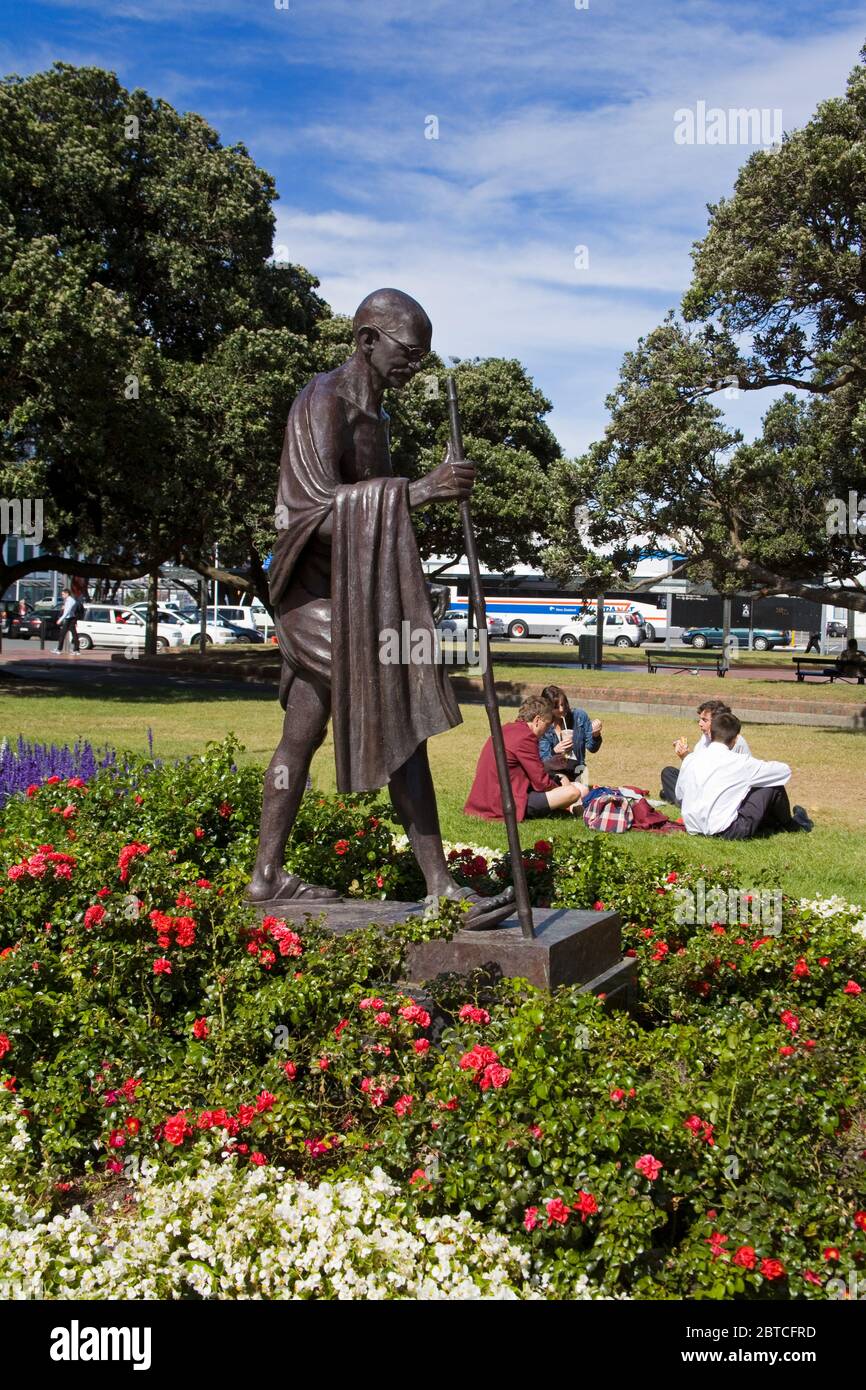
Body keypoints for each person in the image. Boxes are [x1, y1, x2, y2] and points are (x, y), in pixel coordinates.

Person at [247, 287, 514, 930]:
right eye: (408, 353)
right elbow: (312, 515)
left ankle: (266, 878)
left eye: (424, 359)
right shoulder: (322, 403)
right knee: (397, 718)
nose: (414, 367)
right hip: (316, 603)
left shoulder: (379, 418)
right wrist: (420, 491)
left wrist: (421, 495)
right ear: (367, 339)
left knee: (302, 733)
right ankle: (438, 883)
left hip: (353, 600)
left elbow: (368, 517)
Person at [676, 711, 813, 839]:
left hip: (693, 827)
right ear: (735, 739)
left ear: (710, 733)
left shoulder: (692, 758)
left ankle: (776, 824)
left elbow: (679, 794)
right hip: (727, 831)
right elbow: (784, 771)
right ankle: (794, 826)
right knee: (773, 785)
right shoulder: (741, 763)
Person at [464, 696, 586, 821]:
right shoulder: (526, 737)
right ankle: (575, 807)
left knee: (566, 782)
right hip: (502, 804)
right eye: (547, 724)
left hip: (485, 798)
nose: (546, 730)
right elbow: (541, 783)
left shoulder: (506, 729)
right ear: (537, 720)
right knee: (573, 792)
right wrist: (562, 789)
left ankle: (573, 804)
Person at [659, 698, 751, 804]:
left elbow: (714, 771)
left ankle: (678, 798)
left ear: (718, 722)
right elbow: (697, 767)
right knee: (668, 772)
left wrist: (687, 759)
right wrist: (685, 756)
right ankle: (677, 796)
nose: (700, 723)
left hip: (721, 788)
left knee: (680, 788)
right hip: (703, 784)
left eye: (705, 720)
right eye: (700, 719)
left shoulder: (733, 740)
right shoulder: (705, 737)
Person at [537, 684, 602, 780]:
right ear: (548, 708)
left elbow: (592, 748)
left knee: (582, 792)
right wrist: (554, 751)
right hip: (554, 773)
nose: (561, 709)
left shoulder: (579, 716)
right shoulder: (544, 727)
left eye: (563, 704)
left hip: (578, 771)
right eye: (556, 707)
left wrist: (596, 735)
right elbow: (543, 760)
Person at [54, 588, 81, 656]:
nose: (62, 595)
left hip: (69, 619)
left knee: (70, 634)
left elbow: (67, 612)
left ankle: (75, 650)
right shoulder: (68, 600)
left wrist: (60, 619)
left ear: (67, 594)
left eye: (63, 594)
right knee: (68, 634)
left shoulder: (70, 601)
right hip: (70, 619)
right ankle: (75, 650)